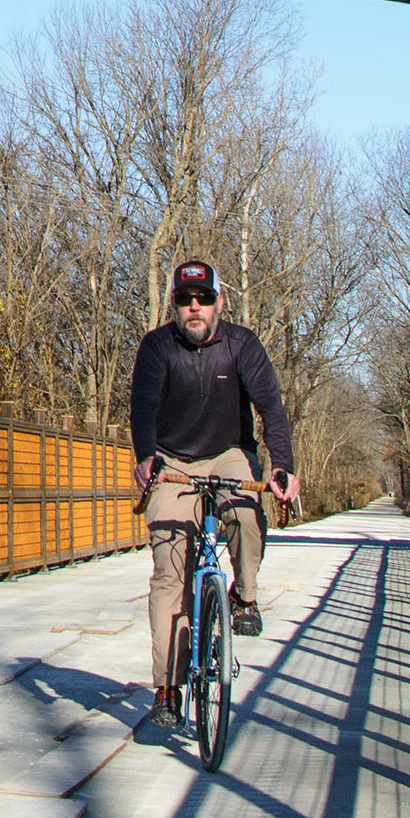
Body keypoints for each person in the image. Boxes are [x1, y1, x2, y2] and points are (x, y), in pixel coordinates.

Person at [129, 256, 298, 700]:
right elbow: (143, 409)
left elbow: (271, 408)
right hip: (174, 461)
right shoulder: (157, 347)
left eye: (203, 298)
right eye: (185, 300)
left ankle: (244, 596)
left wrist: (283, 466)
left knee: (244, 515)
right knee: (169, 575)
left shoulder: (242, 345)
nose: (195, 308)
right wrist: (147, 458)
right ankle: (167, 686)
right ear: (173, 306)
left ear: (219, 302)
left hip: (229, 453)